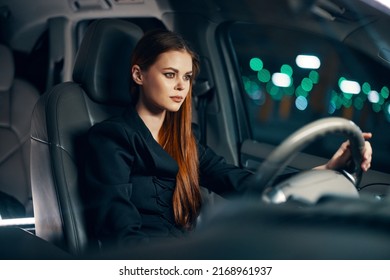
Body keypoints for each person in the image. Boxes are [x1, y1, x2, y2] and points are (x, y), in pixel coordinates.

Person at [84, 29, 372, 249]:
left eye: (187, 77)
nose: (181, 86)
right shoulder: (112, 138)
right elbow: (119, 231)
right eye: (170, 74)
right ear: (138, 74)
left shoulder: (186, 140)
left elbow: (241, 181)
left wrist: (325, 170)